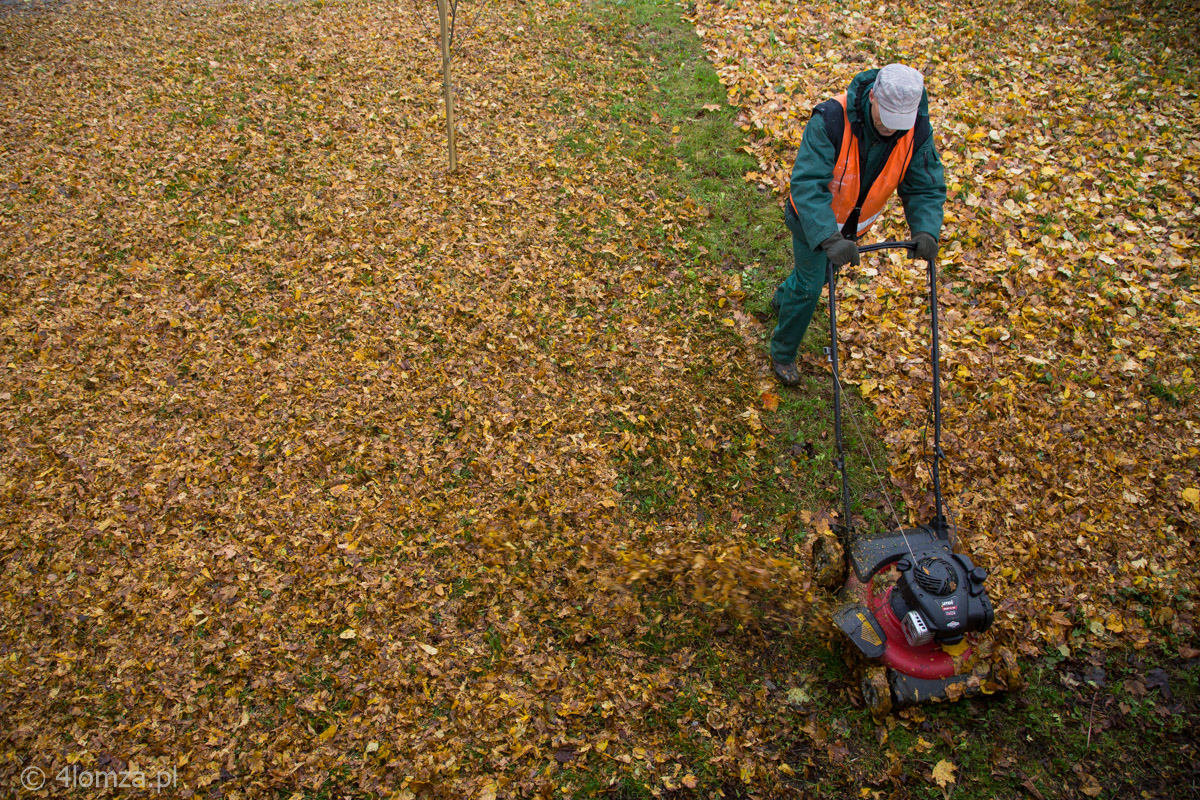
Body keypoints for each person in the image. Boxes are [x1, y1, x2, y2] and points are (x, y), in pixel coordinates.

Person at [771, 63, 947, 386]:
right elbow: (808, 184)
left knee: (816, 278)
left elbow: (924, 183)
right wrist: (828, 238)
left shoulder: (916, 132)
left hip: (850, 230)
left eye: (899, 124)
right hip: (811, 222)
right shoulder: (831, 120)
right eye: (886, 118)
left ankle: (783, 298)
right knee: (811, 285)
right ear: (873, 97)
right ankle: (782, 351)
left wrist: (926, 228)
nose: (891, 130)